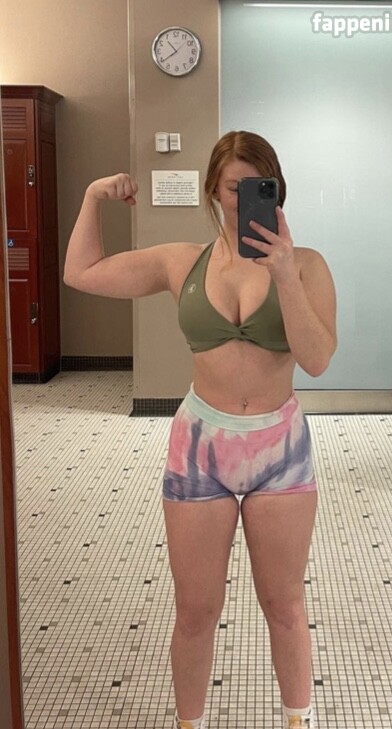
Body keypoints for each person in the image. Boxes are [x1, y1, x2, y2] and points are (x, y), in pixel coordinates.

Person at [64, 130, 337, 729]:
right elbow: (81, 272)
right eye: (236, 187)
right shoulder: (181, 261)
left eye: (260, 187)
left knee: (285, 607)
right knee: (195, 611)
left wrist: (285, 276)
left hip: (280, 448)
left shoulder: (308, 266)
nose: (246, 199)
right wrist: (92, 197)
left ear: (277, 190)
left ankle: (300, 720)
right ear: (214, 188)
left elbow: (317, 360)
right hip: (200, 449)